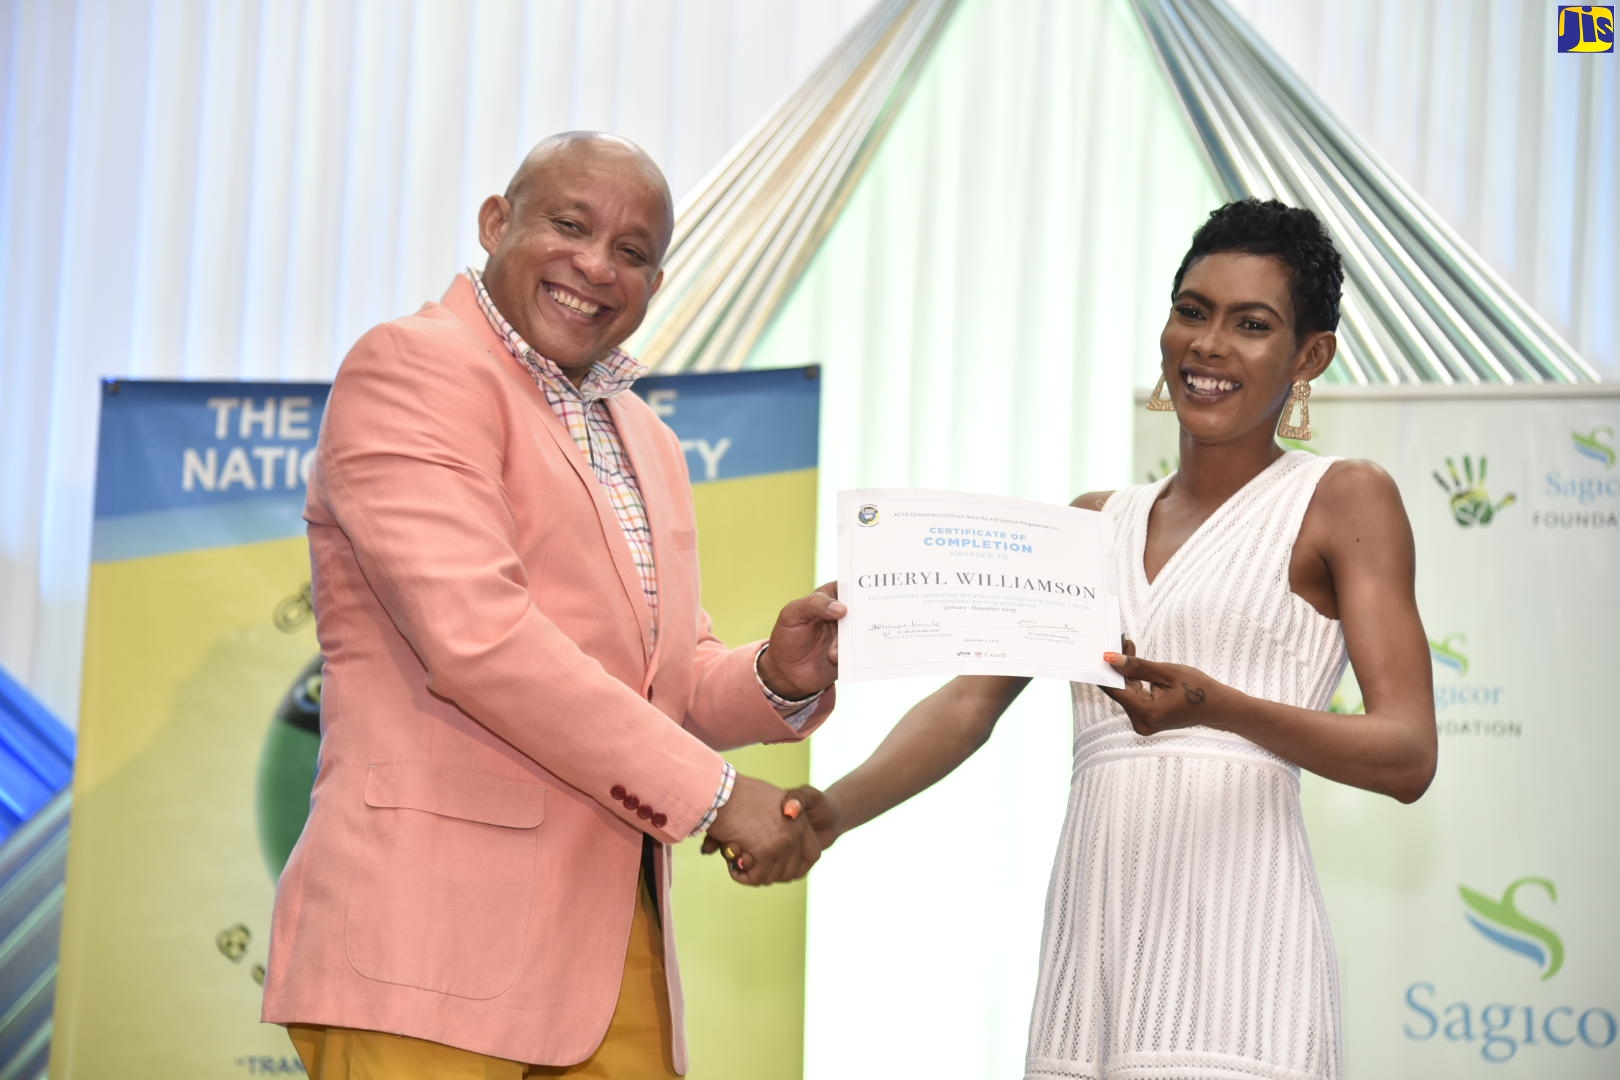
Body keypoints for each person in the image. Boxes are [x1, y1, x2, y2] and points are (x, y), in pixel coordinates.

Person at [745, 199, 1438, 1079]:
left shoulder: (1343, 498)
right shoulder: (1092, 521)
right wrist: (834, 813)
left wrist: (1217, 707)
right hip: (1093, 950)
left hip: (1243, 949)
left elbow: (1408, 753)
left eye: (1252, 324)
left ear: (1310, 357)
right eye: (1192, 311)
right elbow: (968, 703)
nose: (1209, 345)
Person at [261, 131, 844, 1079]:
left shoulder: (646, 436)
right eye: (570, 226)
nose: (596, 266)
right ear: (497, 222)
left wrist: (779, 675)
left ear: (656, 281)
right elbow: (481, 641)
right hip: (430, 943)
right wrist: (716, 797)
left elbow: (662, 680)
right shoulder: (413, 367)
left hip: (612, 945)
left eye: (631, 250)